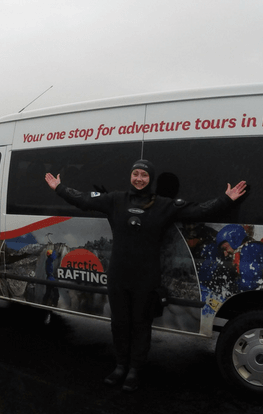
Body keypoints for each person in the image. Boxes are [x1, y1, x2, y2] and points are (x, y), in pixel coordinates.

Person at [45, 159, 246, 392]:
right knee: (119, 324)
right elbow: (83, 200)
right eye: (136, 174)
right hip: (119, 276)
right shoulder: (115, 200)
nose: (139, 178)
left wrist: (226, 199)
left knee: (141, 325)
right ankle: (120, 366)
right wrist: (60, 188)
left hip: (146, 277)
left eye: (144, 175)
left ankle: (134, 371)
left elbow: (198, 210)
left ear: (150, 179)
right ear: (131, 176)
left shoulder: (164, 205)